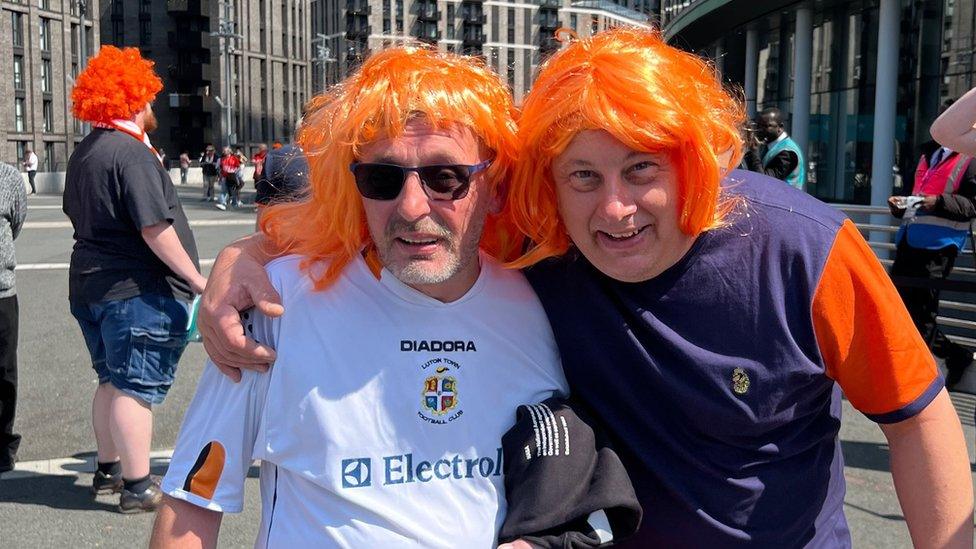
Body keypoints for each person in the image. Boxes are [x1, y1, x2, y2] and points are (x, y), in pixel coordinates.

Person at [197, 29, 974, 548]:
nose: (615, 208)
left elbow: (913, 413)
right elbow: (396, 221)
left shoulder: (804, 249)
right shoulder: (547, 242)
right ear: (549, 187)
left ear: (694, 163)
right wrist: (247, 254)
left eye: (643, 169)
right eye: (584, 175)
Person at [150, 46, 569, 547]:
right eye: (382, 178)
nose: (412, 207)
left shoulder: (544, 308)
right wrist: (249, 250)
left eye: (446, 177)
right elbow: (194, 504)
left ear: (495, 185)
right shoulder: (272, 305)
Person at [65, 45, 207, 513]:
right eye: (146, 98)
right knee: (133, 389)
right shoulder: (132, 155)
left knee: (109, 380)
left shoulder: (87, 151)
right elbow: (154, 228)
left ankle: (108, 470)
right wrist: (197, 279)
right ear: (131, 101)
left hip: (91, 283)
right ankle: (138, 485)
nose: (152, 108)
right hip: (135, 289)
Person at [888, 138, 976, 389]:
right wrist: (903, 205)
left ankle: (929, 371)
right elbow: (919, 196)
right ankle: (951, 357)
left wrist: (935, 202)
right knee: (899, 309)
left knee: (922, 315)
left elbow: (971, 206)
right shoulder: (928, 153)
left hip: (940, 245)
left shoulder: (969, 158)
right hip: (910, 239)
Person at [0, 162, 27, 476]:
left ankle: (3, 446)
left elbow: (16, 224)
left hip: (2, 292)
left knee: (4, 371)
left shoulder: (9, 178)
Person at [743, 107, 806, 189]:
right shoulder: (769, 145)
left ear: (780, 127)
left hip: (785, 200)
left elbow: (764, 181)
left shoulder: (788, 153)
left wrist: (754, 152)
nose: (759, 129)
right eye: (758, 125)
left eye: (765, 126)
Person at [215, 146, 240, 211]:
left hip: (232, 176)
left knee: (232, 191)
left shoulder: (234, 158)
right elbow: (219, 168)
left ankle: (234, 203)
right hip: (224, 177)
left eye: (225, 151)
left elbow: (238, 167)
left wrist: (235, 173)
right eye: (223, 151)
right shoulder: (222, 159)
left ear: (229, 151)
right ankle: (222, 203)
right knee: (223, 191)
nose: (223, 152)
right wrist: (219, 176)